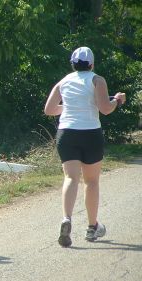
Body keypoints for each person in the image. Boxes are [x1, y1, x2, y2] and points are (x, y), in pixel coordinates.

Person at [44, 46, 126, 247]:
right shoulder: (97, 79)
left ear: (73, 64)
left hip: (67, 133)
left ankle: (66, 219)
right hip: (90, 133)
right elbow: (105, 109)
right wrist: (116, 100)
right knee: (91, 181)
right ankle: (92, 227)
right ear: (92, 64)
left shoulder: (64, 81)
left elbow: (49, 109)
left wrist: (72, 106)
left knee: (71, 177)